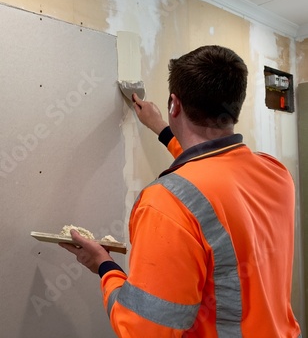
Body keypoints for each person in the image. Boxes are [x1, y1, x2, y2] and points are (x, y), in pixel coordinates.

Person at [60, 45, 302, 337]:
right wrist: (163, 129)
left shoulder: (166, 202)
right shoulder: (275, 173)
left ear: (174, 104)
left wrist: (104, 265)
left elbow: (144, 330)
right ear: (236, 106)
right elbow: (213, 170)